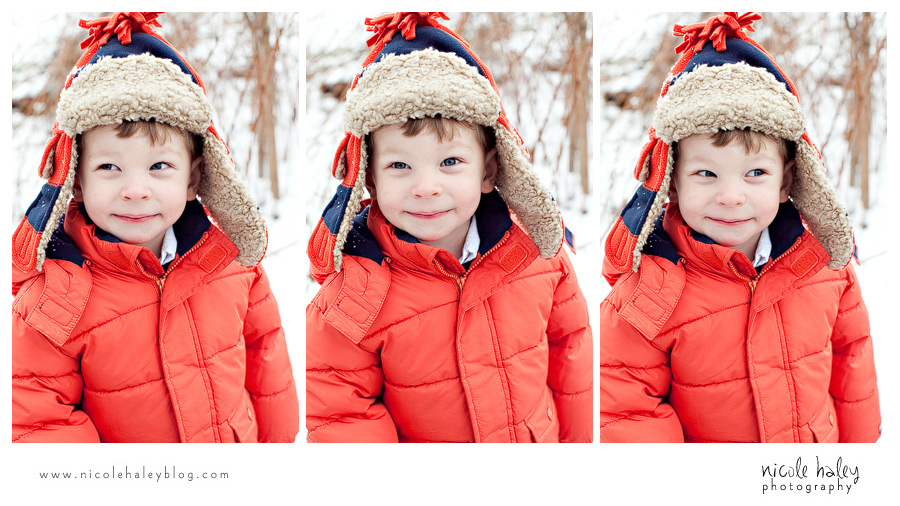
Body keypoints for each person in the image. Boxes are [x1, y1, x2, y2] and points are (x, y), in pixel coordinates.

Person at [11, 12, 299, 443]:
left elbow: (266, 360)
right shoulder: (54, 300)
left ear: (193, 178)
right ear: (76, 178)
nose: (135, 190)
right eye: (109, 166)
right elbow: (41, 421)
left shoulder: (232, 265)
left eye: (159, 166)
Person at [306, 12, 592, 443]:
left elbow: (574, 365)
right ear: (369, 177)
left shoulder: (539, 258)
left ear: (489, 170)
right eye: (399, 165)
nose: (426, 188)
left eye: (450, 162)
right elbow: (343, 418)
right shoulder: (352, 296)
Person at [600, 12, 880, 443]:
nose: (731, 196)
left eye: (755, 174)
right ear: (671, 180)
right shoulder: (648, 293)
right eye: (706, 175)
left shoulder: (825, 267)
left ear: (787, 181)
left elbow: (852, 365)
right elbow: (626, 411)